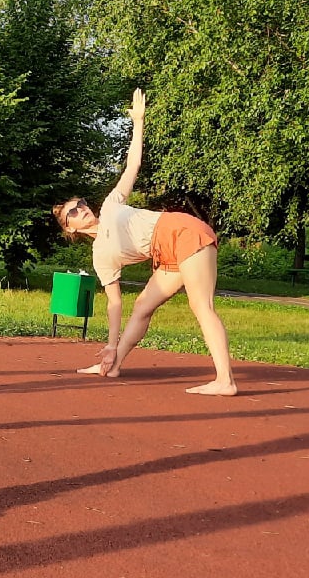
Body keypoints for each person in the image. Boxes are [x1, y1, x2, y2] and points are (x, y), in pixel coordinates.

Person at [52, 88, 237, 394]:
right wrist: (109, 346)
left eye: (81, 203)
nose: (81, 208)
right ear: (69, 229)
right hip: (166, 254)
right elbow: (114, 302)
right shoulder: (101, 255)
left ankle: (225, 380)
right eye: (73, 211)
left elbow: (132, 165)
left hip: (182, 232)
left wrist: (138, 121)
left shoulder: (111, 204)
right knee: (141, 307)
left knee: (200, 305)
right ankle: (112, 365)